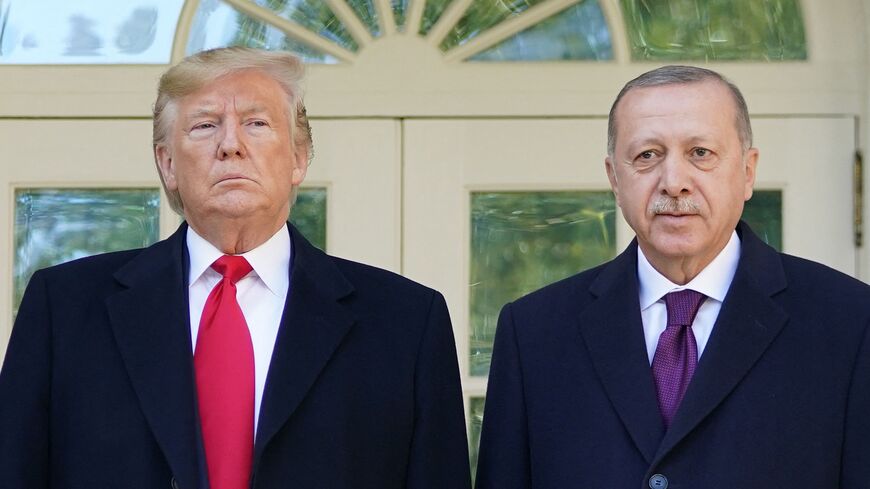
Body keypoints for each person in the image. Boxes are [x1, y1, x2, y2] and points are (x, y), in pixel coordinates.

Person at [0, 47, 470, 489]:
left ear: (299, 158)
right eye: (204, 126)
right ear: (167, 164)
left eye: (257, 123)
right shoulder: (63, 308)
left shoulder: (407, 321)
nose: (231, 144)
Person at [475, 65, 870, 488]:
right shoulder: (533, 333)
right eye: (647, 155)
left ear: (748, 172)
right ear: (614, 178)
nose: (675, 182)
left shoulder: (851, 323)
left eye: (701, 153)